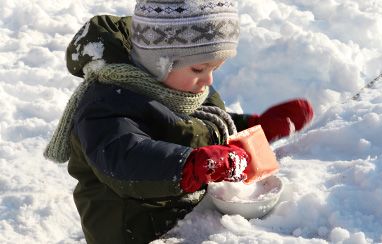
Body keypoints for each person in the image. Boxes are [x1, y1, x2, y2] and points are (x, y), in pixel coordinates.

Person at [44, 0, 314, 243]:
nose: (208, 80)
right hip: (132, 229)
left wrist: (257, 126)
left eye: (215, 69)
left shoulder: (183, 90)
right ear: (158, 60)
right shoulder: (107, 102)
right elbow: (124, 157)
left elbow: (203, 128)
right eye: (199, 69)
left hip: (183, 215)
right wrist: (190, 166)